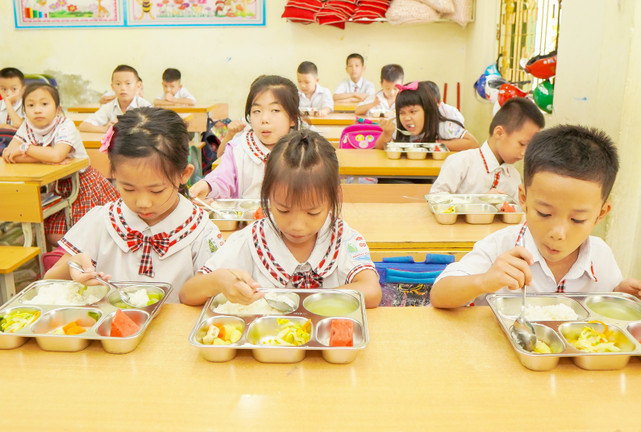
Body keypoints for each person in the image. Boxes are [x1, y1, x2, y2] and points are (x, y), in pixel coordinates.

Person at [430, 125, 641, 308]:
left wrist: (619, 295)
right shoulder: (502, 246)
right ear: (523, 199)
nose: (558, 233)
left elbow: (603, 313)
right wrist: (484, 281)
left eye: (577, 220)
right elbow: (439, 295)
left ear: (600, 214)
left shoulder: (601, 257)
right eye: (544, 213)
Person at [180, 130, 382, 308]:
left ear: (333, 198)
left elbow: (372, 291)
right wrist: (219, 281)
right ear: (267, 193)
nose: (297, 226)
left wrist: (309, 300)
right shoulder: (250, 240)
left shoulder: (343, 238)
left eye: (312, 213)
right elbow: (187, 293)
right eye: (284, 210)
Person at [44, 107, 224, 303]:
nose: (142, 203)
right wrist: (72, 265)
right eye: (128, 188)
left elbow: (216, 299)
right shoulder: (102, 221)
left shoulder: (200, 232)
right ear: (114, 174)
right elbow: (48, 282)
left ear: (184, 174)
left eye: (156, 190)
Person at [2, 83, 119, 245]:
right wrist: (45, 157)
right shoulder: (26, 126)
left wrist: (27, 149)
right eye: (30, 105)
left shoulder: (65, 125)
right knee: (47, 233)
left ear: (57, 109)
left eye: (44, 104)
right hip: (55, 186)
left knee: (80, 236)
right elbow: (9, 154)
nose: (37, 110)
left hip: (82, 185)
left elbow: (56, 155)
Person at [189, 75, 300, 200]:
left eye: (275, 110)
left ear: (293, 118)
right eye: (257, 111)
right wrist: (208, 186)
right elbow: (221, 178)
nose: (264, 119)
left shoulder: (305, 150)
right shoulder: (239, 149)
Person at [430, 97, 545, 200]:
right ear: (499, 133)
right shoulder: (461, 162)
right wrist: (478, 201)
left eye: (530, 146)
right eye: (522, 144)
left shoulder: (514, 177)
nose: (525, 153)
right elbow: (435, 197)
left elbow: (516, 212)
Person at [374, 81, 479, 151]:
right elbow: (378, 149)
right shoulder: (397, 126)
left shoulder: (444, 126)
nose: (407, 118)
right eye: (402, 113)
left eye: (413, 111)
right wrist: (386, 134)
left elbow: (473, 144)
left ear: (428, 110)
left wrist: (436, 145)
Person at [79, 65, 151, 132]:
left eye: (128, 83)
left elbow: (153, 128)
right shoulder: (109, 107)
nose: (123, 88)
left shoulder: (145, 106)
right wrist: (105, 129)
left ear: (138, 86)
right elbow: (83, 126)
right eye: (118, 84)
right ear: (112, 87)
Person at [0, 67, 25, 151]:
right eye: (3, 89)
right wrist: (5, 126)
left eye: (14, 89)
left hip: (19, 147)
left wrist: (8, 104)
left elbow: (20, 126)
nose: (8, 93)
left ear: (22, 90)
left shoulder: (27, 105)